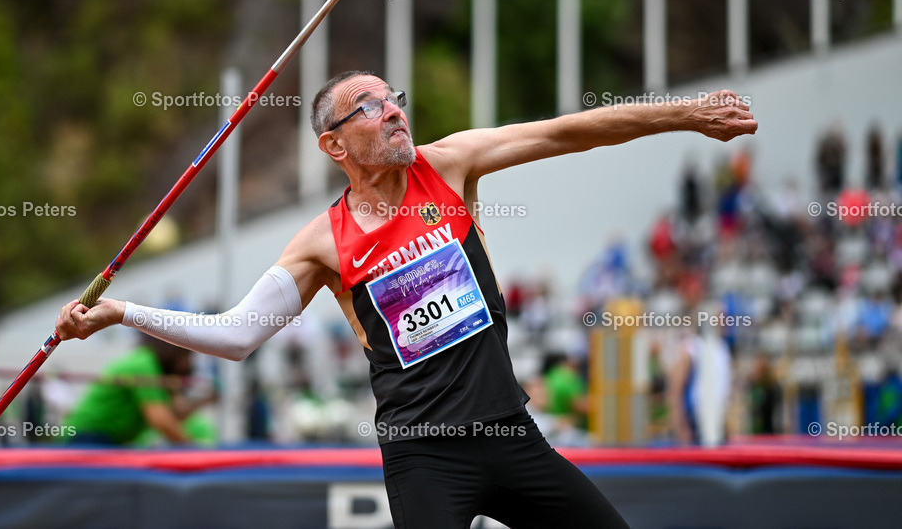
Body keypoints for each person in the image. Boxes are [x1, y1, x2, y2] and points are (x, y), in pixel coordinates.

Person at [56, 72, 756, 527]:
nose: (394, 111)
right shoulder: (321, 245)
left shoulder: (447, 166)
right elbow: (238, 334)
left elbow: (565, 131)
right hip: (425, 457)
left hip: (509, 435)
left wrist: (684, 114)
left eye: (395, 98)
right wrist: (123, 311)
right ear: (335, 144)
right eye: (371, 106)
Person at [62, 335, 214, 446]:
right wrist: (192, 449)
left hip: (105, 438)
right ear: (174, 350)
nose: (188, 364)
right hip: (89, 436)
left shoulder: (154, 370)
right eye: (187, 355)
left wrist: (203, 400)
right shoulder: (144, 363)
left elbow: (173, 414)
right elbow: (162, 420)